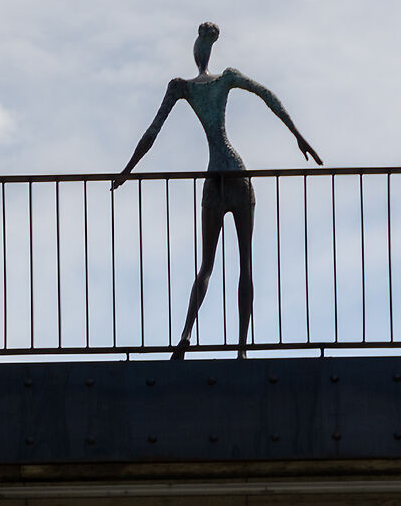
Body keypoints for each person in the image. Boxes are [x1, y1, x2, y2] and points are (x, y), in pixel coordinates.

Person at [112, 20, 322, 360]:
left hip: (215, 177)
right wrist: (298, 135)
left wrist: (126, 171)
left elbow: (152, 132)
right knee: (245, 263)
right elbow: (269, 97)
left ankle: (185, 336)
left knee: (207, 265)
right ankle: (240, 350)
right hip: (236, 174)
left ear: (196, 50)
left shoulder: (181, 86)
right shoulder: (226, 78)